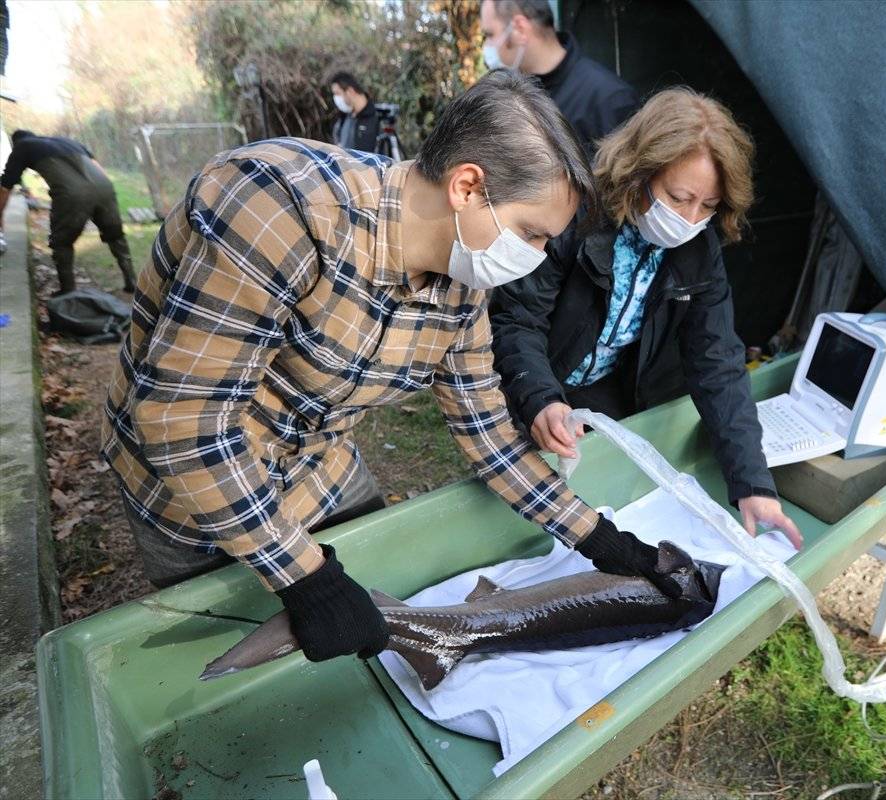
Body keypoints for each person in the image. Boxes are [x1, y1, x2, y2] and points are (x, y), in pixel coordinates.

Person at [102, 72, 680, 669]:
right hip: (188, 486)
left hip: (319, 465)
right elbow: (183, 420)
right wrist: (308, 579)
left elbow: (489, 435)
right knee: (212, 650)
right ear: (467, 187)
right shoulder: (279, 207)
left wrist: (594, 535)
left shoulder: (462, 288)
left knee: (369, 630)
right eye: (531, 235)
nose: (534, 259)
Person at [491, 88, 802, 547]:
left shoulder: (700, 249)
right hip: (531, 375)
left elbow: (716, 359)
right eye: (678, 197)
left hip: (606, 392)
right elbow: (517, 319)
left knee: (601, 502)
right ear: (639, 172)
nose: (691, 218)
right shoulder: (572, 212)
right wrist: (540, 400)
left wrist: (753, 484)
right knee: (509, 514)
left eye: (709, 206)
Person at [479, 0, 638, 150]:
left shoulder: (609, 99)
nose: (487, 46)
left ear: (519, 28)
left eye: (490, 34)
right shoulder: (507, 96)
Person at [0, 130, 137, 293]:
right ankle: (132, 281)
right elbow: (98, 168)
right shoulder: (66, 141)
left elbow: (5, 187)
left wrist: (0, 213)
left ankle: (68, 292)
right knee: (115, 235)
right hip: (105, 187)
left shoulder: (22, 146)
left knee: (61, 243)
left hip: (72, 193)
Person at [329, 70, 380, 153]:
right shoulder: (343, 117)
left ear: (350, 91)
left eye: (337, 93)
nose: (336, 98)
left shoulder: (377, 118)